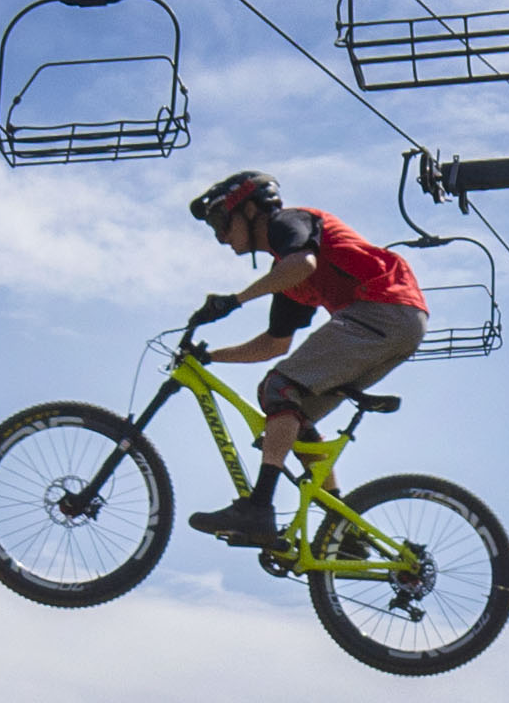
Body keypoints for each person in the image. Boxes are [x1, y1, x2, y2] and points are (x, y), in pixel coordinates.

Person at [179, 170, 430, 546]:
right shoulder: (287, 271)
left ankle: (258, 508)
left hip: (384, 309)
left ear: (249, 210)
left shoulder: (288, 224)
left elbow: (303, 266)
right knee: (290, 418)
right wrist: (211, 357)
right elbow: (275, 344)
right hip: (393, 324)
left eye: (221, 222)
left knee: (277, 388)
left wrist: (234, 301)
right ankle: (348, 536)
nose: (220, 237)